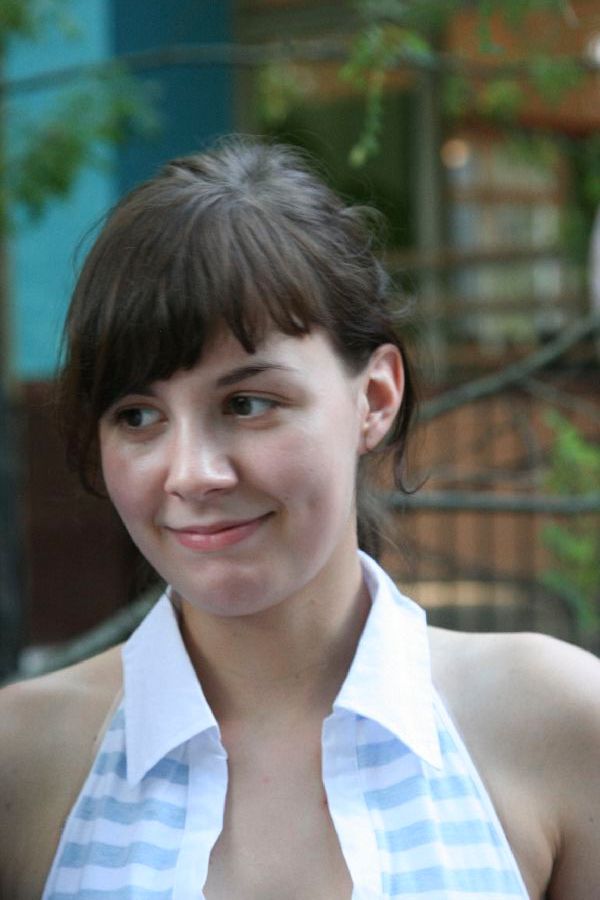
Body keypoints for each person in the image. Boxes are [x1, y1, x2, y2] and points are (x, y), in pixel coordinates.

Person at [1, 138, 599, 900]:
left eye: (248, 403)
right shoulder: (23, 764)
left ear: (375, 398)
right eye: (138, 415)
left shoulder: (558, 726)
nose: (192, 473)